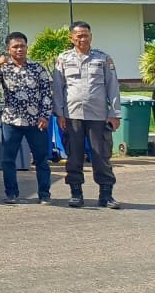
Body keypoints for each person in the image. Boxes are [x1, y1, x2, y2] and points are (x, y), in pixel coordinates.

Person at [52, 21, 121, 209]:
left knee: (101, 155)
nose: (83, 39)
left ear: (91, 37)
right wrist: (59, 114)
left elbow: (112, 87)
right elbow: (58, 88)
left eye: (86, 35)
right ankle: (76, 193)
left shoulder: (103, 58)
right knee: (74, 156)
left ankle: (106, 195)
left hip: (98, 115)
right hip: (72, 115)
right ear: (71, 38)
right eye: (79, 36)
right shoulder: (63, 59)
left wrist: (114, 114)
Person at [0, 32, 55, 204]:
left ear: (27, 47)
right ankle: (11, 193)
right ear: (8, 49)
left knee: (41, 159)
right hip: (12, 121)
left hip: (35, 121)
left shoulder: (37, 68)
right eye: (15, 47)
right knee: (8, 160)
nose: (19, 49)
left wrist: (45, 116)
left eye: (22, 46)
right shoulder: (4, 68)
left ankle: (44, 194)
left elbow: (46, 94)